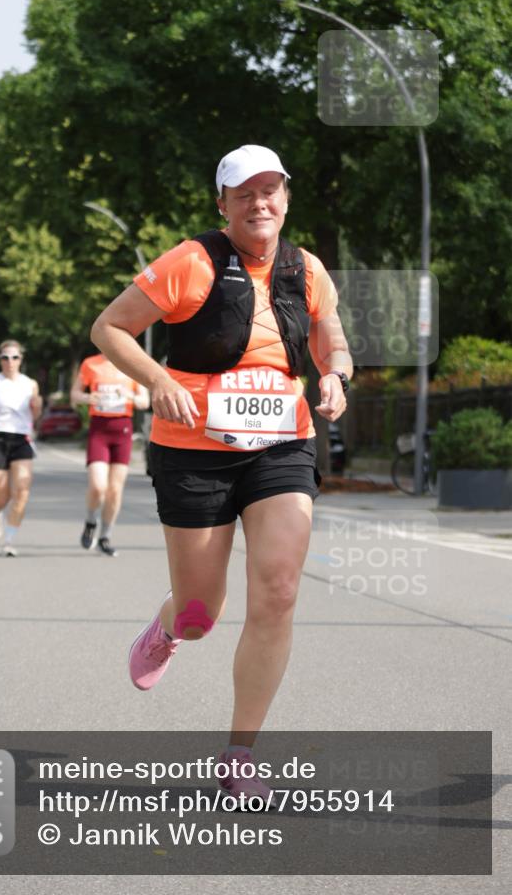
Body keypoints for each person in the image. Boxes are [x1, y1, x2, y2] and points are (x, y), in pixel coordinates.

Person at [91, 144, 352, 804]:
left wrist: (335, 374)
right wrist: (155, 380)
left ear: (286, 198)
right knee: (202, 613)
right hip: (193, 448)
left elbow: (329, 335)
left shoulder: (307, 269)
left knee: (279, 590)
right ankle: (171, 626)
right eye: (244, 193)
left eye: (270, 190)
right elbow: (110, 328)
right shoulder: (192, 261)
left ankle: (240, 753)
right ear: (223, 204)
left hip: (280, 445)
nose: (259, 203)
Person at [71, 353, 149, 556]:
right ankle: (90, 521)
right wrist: (89, 397)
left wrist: (129, 395)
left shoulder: (131, 361)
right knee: (98, 486)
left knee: (115, 490)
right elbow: (75, 395)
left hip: (122, 429)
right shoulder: (91, 364)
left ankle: (105, 537)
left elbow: (144, 401)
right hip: (99, 429)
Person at [0, 340, 43, 557]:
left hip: (21, 438)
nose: (10, 362)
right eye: (5, 357)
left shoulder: (30, 384)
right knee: (2, 494)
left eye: (14, 357)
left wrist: (38, 407)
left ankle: (10, 540)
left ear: (21, 359)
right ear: (0, 360)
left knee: (22, 491)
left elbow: (36, 416)